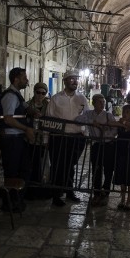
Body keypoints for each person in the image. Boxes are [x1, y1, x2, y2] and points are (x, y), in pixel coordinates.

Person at [47, 70, 90, 207]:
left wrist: (86, 133)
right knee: (58, 165)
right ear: (65, 81)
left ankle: (69, 190)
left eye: (76, 79)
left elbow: (87, 116)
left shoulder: (82, 98)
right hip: (60, 137)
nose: (75, 81)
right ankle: (56, 194)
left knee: (70, 165)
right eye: (71, 79)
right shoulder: (56, 99)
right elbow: (49, 117)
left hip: (76, 138)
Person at [0, 67, 35, 212]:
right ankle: (9, 203)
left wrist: (34, 112)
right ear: (16, 79)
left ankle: (16, 200)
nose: (27, 81)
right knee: (12, 172)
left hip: (18, 138)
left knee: (23, 169)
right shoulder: (10, 96)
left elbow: (25, 108)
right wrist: (26, 129)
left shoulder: (17, 95)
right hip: (11, 139)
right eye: (24, 78)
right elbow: (8, 119)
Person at [75, 94, 118, 206]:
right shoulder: (89, 114)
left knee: (108, 169)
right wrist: (91, 122)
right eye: (99, 102)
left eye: (103, 102)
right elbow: (78, 119)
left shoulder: (108, 115)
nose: (102, 104)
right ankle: (97, 192)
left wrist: (106, 135)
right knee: (96, 169)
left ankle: (106, 190)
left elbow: (115, 130)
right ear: (94, 103)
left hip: (107, 145)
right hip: (96, 145)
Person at [25, 82, 50, 197]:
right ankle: (31, 187)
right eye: (38, 92)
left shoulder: (49, 107)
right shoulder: (27, 105)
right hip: (30, 139)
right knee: (31, 162)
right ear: (34, 92)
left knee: (42, 163)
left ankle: (41, 185)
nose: (40, 95)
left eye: (43, 93)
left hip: (43, 140)